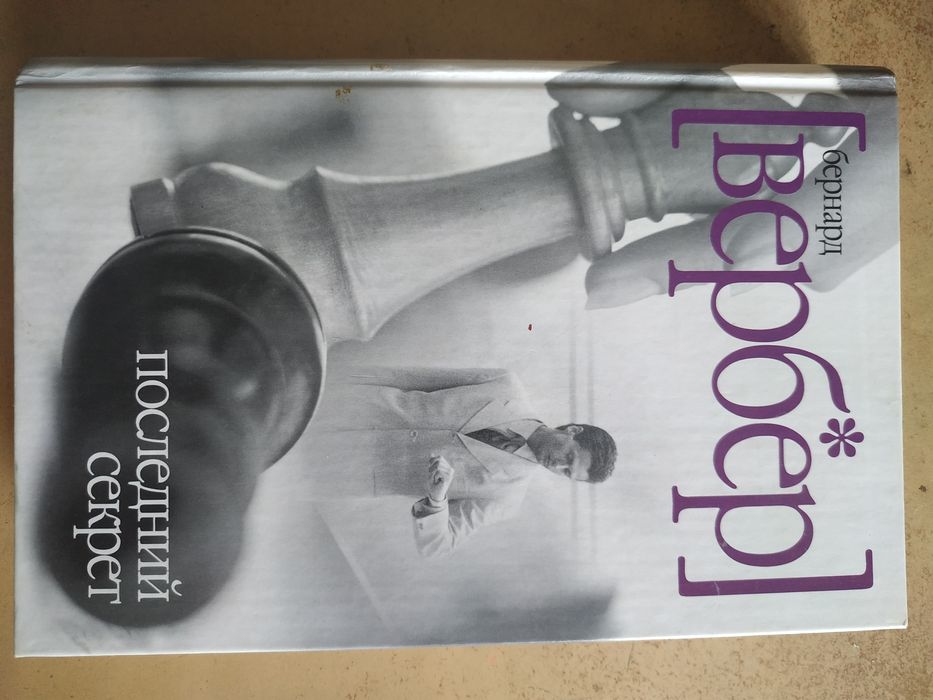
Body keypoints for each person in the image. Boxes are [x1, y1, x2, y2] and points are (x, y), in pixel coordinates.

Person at [303, 365, 617, 557]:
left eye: (566, 472)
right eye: (568, 457)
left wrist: (437, 499)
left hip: (338, 470)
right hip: (344, 403)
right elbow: (409, 377)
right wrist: (334, 378)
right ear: (573, 431)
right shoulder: (504, 384)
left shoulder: (507, 497)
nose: (557, 466)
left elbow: (436, 546)